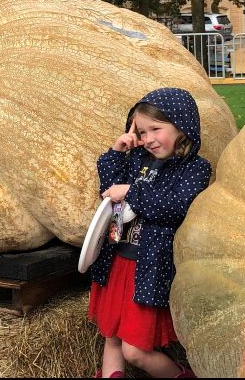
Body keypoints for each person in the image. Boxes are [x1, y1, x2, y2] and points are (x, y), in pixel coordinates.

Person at [88, 88, 212, 379]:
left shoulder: (194, 169)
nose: (148, 139)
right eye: (142, 132)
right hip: (118, 261)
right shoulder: (136, 159)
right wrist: (118, 152)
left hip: (149, 269)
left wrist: (131, 191)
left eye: (156, 129)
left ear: (182, 125)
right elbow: (109, 192)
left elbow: (176, 208)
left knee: (135, 351)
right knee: (112, 337)